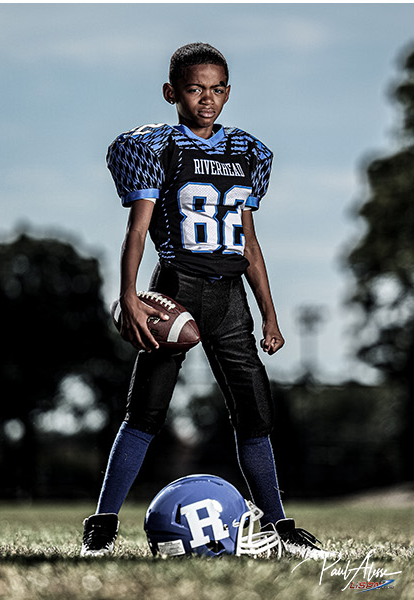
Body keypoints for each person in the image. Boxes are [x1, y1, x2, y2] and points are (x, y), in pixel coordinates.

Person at [79, 43, 329, 559]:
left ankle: (281, 525)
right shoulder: (157, 146)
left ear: (229, 92)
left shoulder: (248, 151)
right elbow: (138, 228)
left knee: (255, 412)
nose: (207, 99)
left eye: (216, 89)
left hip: (230, 295)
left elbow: (250, 241)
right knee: (146, 410)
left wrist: (271, 314)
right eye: (195, 89)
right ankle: (102, 525)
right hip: (177, 285)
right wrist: (128, 293)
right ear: (172, 92)